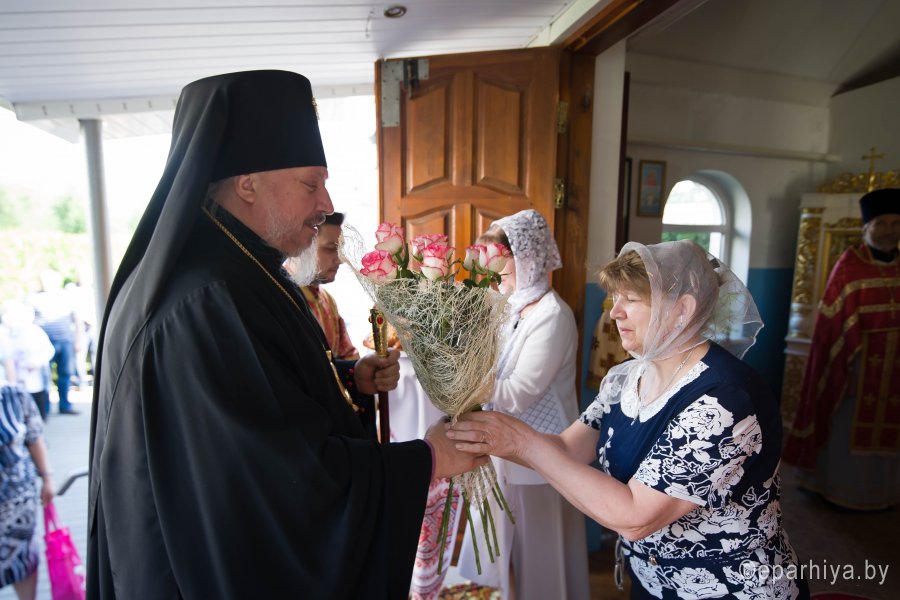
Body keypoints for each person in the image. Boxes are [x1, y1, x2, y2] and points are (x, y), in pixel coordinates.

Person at [87, 70, 485, 599]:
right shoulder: (210, 298)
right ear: (247, 183)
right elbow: (279, 485)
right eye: (310, 184)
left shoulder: (236, 271)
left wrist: (348, 377)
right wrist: (425, 460)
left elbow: (262, 397)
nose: (325, 203)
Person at [449, 240, 808, 599]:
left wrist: (522, 442)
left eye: (631, 300)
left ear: (682, 309)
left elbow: (636, 516)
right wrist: (483, 436)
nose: (614, 312)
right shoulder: (627, 378)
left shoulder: (725, 399)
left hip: (733, 589)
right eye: (614, 298)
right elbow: (567, 449)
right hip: (652, 582)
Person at [457, 209, 590, 600]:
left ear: (527, 257)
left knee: (540, 556)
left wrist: (461, 378)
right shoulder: (506, 304)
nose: (492, 268)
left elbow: (518, 392)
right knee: (503, 553)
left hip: (542, 452)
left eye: (500, 258)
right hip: (501, 445)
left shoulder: (553, 316)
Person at [783, 188, 900, 509]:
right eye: (881, 223)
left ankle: (884, 493)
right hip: (856, 365)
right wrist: (845, 366)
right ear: (866, 228)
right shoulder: (849, 266)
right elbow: (831, 327)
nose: (889, 230)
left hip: (895, 370)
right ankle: (842, 489)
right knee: (845, 428)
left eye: (895, 223)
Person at [0, 328, 55, 600]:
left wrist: (47, 479)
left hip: (16, 502)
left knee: (24, 561)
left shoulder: (13, 395)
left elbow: (35, 439)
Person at [291, 211, 360, 360]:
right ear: (303, 245)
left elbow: (347, 356)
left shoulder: (327, 300)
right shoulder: (282, 294)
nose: (340, 260)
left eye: (340, 249)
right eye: (330, 248)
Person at [29, 269, 79, 415]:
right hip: (44, 344)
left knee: (65, 374)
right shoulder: (34, 298)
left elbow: (76, 320)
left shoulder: (66, 297)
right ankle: (45, 408)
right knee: (45, 376)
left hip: (65, 341)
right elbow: (30, 322)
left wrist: (78, 340)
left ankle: (65, 405)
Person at [1, 301, 55, 420]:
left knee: (36, 416)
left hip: (34, 383)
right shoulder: (3, 333)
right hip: (10, 386)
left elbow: (49, 350)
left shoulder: (35, 331)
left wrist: (36, 361)